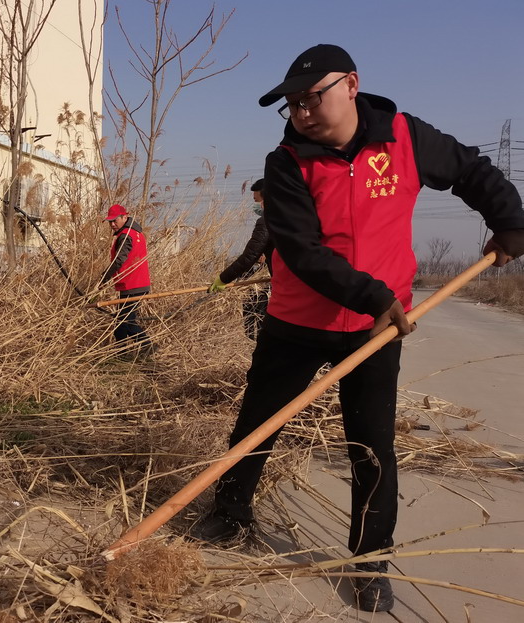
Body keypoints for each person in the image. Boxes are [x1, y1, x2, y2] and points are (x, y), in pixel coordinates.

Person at [189, 44, 524, 612]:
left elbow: (472, 169)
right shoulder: (286, 161)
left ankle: (369, 560)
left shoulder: (404, 137)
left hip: (376, 331)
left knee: (371, 446)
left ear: (350, 84)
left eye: (311, 98)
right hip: (298, 320)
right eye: (292, 105)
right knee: (259, 422)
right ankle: (231, 511)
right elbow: (301, 250)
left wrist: (510, 220)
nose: (301, 113)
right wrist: (374, 296)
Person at [208, 179, 274, 339]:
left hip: (286, 287)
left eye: (256, 201)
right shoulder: (296, 218)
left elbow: (249, 256)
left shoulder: (267, 222)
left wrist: (222, 279)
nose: (256, 206)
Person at [100, 204, 154, 356]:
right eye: (110, 221)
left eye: (115, 220)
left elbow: (119, 260)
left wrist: (104, 278)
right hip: (135, 283)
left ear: (124, 217)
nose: (112, 224)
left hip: (132, 284)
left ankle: (148, 346)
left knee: (126, 321)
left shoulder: (126, 236)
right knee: (121, 322)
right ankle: (120, 353)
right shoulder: (136, 232)